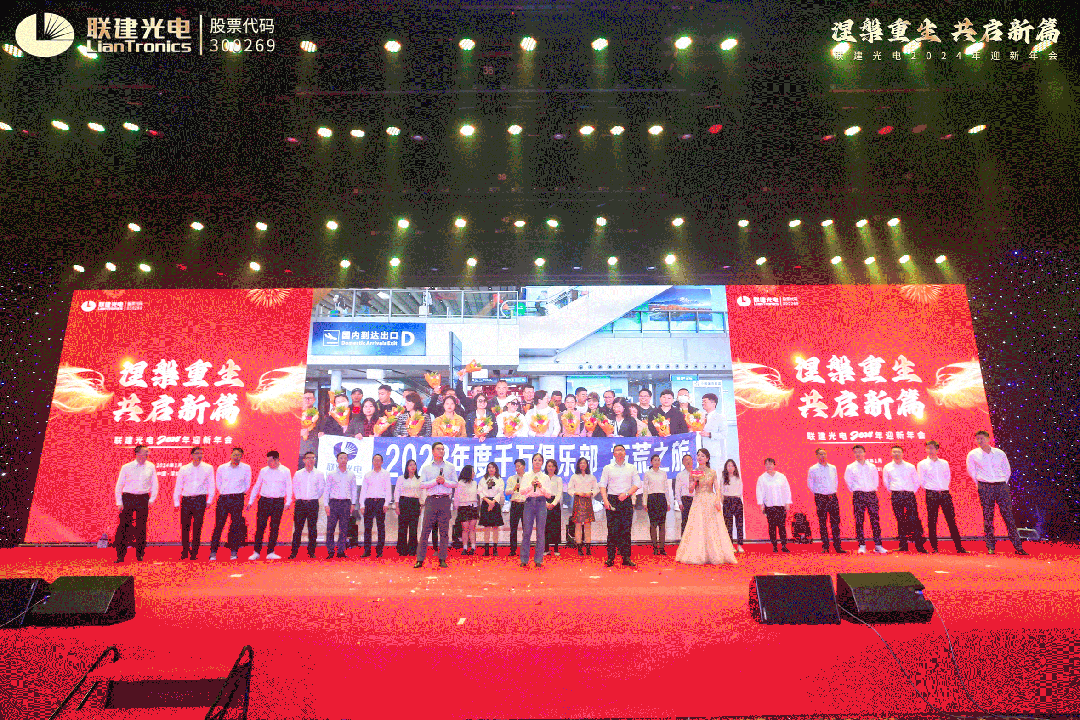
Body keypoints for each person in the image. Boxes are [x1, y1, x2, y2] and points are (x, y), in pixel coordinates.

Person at [966, 430, 1027, 555]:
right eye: (977, 439)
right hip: (985, 486)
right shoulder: (973, 454)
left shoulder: (999, 453)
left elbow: (1007, 470)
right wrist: (981, 484)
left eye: (982, 438)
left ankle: (1018, 546)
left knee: (1008, 516)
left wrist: (1002, 482)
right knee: (988, 517)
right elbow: (972, 472)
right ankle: (990, 546)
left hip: (1001, 486)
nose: (979, 441)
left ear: (988, 439)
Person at [675, 448, 738, 565]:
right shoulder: (693, 472)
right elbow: (690, 490)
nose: (700, 457)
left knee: (712, 526)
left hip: (710, 499)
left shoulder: (712, 472)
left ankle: (714, 553)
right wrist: (694, 481)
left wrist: (718, 500)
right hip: (698, 500)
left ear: (707, 459)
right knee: (698, 526)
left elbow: (717, 488)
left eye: (702, 456)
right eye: (698, 455)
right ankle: (699, 554)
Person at [414, 442, 458, 568]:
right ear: (433, 451)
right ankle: (420, 559)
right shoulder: (427, 467)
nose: (441, 451)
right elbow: (422, 484)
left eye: (443, 449)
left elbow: (455, 483)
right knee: (425, 530)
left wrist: (444, 482)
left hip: (445, 500)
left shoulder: (450, 467)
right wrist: (435, 481)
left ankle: (442, 558)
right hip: (431, 501)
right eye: (438, 449)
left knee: (444, 531)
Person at [919, 440, 967, 554]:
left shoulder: (944, 463)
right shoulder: (922, 464)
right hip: (931, 494)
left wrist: (943, 488)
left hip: (945, 493)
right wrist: (932, 488)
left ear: (937, 449)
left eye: (932, 448)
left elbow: (947, 477)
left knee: (951, 520)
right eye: (928, 448)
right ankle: (934, 547)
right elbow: (922, 480)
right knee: (932, 521)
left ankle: (959, 547)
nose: (930, 450)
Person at [114, 445, 158, 563]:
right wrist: (119, 502)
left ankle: (140, 554)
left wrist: (151, 499)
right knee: (124, 526)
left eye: (147, 452)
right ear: (137, 453)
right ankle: (120, 555)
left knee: (141, 527)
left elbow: (155, 484)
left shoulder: (151, 466)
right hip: (128, 497)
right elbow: (119, 485)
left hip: (143, 498)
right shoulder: (126, 467)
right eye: (145, 452)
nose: (147, 454)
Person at [600, 444, 641, 567]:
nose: (619, 452)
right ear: (613, 454)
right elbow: (602, 485)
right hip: (612, 500)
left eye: (622, 450)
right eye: (617, 450)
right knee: (612, 530)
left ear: (625, 453)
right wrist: (605, 500)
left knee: (626, 530)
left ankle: (626, 558)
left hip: (626, 499)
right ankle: (610, 558)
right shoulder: (608, 468)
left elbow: (637, 484)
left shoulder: (631, 467)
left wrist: (627, 494)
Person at [247, 450, 292, 560]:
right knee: (260, 527)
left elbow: (289, 487)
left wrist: (288, 502)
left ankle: (270, 552)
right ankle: (256, 552)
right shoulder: (264, 470)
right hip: (264, 501)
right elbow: (257, 486)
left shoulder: (285, 471)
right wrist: (250, 501)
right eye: (267, 461)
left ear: (277, 460)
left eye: (270, 461)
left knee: (274, 527)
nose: (268, 463)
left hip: (278, 502)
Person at [844, 445, 888, 554]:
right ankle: (862, 545)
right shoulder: (850, 467)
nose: (858, 454)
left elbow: (875, 480)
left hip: (871, 495)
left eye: (860, 452)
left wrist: (870, 490)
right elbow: (848, 482)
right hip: (858, 495)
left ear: (864, 453)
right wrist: (857, 490)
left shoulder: (872, 466)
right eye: (855, 452)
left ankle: (878, 545)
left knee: (875, 520)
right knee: (859, 521)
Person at [882, 446, 927, 553]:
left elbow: (916, 482)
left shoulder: (910, 466)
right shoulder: (887, 467)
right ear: (891, 454)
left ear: (902, 454)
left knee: (914, 519)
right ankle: (903, 545)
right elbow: (886, 482)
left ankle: (919, 545)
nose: (896, 454)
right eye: (894, 452)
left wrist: (910, 492)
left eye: (898, 452)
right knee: (900, 520)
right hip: (896, 495)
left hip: (909, 495)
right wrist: (895, 491)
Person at [209, 447, 251, 561]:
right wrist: (225, 492)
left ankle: (234, 552)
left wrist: (238, 493)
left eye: (239, 455)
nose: (236, 457)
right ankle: (213, 552)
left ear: (241, 456)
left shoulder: (246, 468)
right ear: (231, 455)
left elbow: (247, 484)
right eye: (235, 455)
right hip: (224, 498)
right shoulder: (222, 468)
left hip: (238, 498)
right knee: (219, 525)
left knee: (235, 526)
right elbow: (218, 483)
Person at [174, 446, 214, 561]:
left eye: (201, 453)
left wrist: (209, 500)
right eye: (197, 453)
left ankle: (195, 552)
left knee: (197, 527)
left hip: (200, 500)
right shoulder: (184, 469)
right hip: (186, 500)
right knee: (185, 527)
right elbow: (178, 485)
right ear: (192, 455)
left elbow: (211, 484)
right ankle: (185, 551)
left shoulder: (208, 468)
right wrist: (176, 501)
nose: (199, 455)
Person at [808, 448, 846, 554]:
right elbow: (810, 484)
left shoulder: (833, 468)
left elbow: (836, 481)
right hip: (820, 498)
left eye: (824, 454)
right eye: (820, 454)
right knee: (822, 522)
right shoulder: (813, 469)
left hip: (832, 497)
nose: (823, 456)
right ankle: (825, 546)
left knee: (835, 522)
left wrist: (831, 492)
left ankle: (838, 546)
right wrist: (819, 493)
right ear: (817, 456)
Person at [290, 451, 326, 559]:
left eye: (313, 458)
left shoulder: (319, 474)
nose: (311, 460)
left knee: (312, 529)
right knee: (298, 529)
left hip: (313, 504)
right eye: (308, 458)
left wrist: (313, 498)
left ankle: (311, 552)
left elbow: (321, 489)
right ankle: (294, 552)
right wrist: (300, 498)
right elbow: (295, 487)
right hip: (300, 503)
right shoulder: (298, 473)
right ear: (304, 460)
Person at [519, 453, 552, 568]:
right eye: (535, 460)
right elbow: (521, 491)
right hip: (529, 503)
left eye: (539, 460)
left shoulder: (545, 477)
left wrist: (541, 487)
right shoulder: (527, 475)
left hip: (541, 503)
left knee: (540, 532)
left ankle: (538, 560)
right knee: (526, 532)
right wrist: (531, 485)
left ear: (542, 463)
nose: (537, 462)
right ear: (532, 462)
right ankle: (524, 559)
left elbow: (549, 495)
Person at [325, 452, 359, 559]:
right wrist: (326, 504)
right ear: (337, 460)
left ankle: (341, 551)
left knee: (344, 529)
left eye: (345, 458)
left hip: (346, 503)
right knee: (330, 529)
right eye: (341, 458)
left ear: (347, 460)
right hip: (333, 503)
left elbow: (354, 490)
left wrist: (353, 503)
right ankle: (330, 551)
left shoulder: (351, 474)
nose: (343, 460)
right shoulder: (331, 474)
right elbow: (327, 490)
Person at [756, 458, 792, 552]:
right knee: (772, 527)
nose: (769, 466)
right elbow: (759, 492)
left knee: (782, 526)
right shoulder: (762, 478)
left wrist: (787, 502)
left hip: (780, 505)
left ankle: (784, 545)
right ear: (765, 466)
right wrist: (761, 504)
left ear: (774, 465)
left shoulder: (781, 476)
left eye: (771, 464)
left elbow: (787, 490)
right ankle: (774, 545)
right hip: (769, 505)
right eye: (767, 464)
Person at [641, 454, 674, 555]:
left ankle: (662, 547)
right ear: (651, 462)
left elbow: (666, 488)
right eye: (655, 460)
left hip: (662, 498)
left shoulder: (663, 473)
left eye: (658, 460)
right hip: (652, 499)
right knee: (653, 524)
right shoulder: (647, 473)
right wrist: (644, 502)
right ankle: (655, 547)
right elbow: (645, 488)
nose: (657, 462)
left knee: (662, 524)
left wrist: (668, 502)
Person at [568, 457, 599, 555]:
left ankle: (588, 547)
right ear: (578, 465)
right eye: (581, 463)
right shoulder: (574, 476)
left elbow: (596, 489)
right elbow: (569, 489)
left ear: (587, 465)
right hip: (578, 500)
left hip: (587, 500)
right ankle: (579, 547)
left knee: (587, 525)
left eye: (584, 463)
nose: (582, 465)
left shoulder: (591, 477)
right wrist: (577, 492)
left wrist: (591, 493)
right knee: (578, 525)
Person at [393, 458, 422, 555]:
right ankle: (402, 549)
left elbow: (422, 492)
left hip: (415, 503)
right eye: (410, 465)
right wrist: (397, 506)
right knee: (403, 527)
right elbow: (397, 492)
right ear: (407, 467)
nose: (413, 466)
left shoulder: (419, 479)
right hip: (404, 502)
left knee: (413, 527)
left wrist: (421, 505)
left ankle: (412, 549)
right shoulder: (401, 478)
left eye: (414, 465)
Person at [478, 462, 505, 556]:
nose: (491, 469)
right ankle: (486, 549)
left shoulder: (499, 479)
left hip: (495, 503)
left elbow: (500, 492)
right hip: (486, 502)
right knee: (486, 527)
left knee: (495, 527)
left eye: (493, 467)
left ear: (496, 469)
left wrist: (493, 502)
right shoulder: (483, 479)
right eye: (489, 467)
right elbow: (480, 492)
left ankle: (495, 549)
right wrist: (488, 501)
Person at [720, 459, 745, 553]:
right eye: (728, 466)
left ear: (735, 467)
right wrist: (723, 502)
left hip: (737, 501)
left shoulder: (738, 478)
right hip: (727, 501)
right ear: (726, 467)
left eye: (732, 465)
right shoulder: (723, 478)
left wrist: (738, 500)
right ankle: (730, 545)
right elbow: (721, 491)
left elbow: (740, 491)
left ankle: (740, 545)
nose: (730, 467)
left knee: (739, 524)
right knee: (728, 525)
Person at [454, 465, 480, 555]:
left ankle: (473, 547)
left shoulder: (475, 483)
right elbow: (456, 496)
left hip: (473, 506)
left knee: (472, 528)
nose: (474, 473)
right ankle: (465, 548)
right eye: (472, 471)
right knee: (465, 529)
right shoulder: (460, 483)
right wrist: (456, 507)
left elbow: (477, 495)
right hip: (463, 507)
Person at [505, 458, 528, 557]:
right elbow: (506, 492)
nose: (517, 468)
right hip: (515, 504)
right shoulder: (511, 478)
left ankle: (525, 549)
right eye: (516, 466)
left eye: (519, 466)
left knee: (526, 529)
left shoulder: (528, 478)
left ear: (524, 467)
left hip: (525, 505)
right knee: (513, 528)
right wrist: (514, 488)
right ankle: (513, 550)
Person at [542, 459, 564, 556]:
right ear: (546, 467)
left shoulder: (558, 479)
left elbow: (559, 493)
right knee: (545, 526)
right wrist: (546, 503)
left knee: (556, 526)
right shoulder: (543, 478)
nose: (551, 468)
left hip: (555, 504)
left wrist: (553, 504)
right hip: (544, 502)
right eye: (549, 466)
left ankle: (556, 548)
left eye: (553, 466)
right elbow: (541, 492)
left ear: (555, 468)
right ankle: (546, 548)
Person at [698, 393, 725, 464]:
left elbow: (723, 435)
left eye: (705, 401)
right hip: (699, 451)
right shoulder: (700, 416)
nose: (703, 403)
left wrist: (709, 434)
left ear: (713, 403)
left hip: (712, 452)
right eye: (702, 402)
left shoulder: (720, 417)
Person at [674, 454, 695, 535]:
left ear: (692, 461)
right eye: (686, 460)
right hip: (685, 500)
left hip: (696, 499)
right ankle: (684, 540)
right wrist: (679, 503)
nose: (688, 461)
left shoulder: (697, 473)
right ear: (683, 463)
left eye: (689, 459)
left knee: (696, 521)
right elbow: (677, 490)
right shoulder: (680, 475)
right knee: (685, 521)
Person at [298, 389, 320, 470]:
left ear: (314, 400)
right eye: (305, 398)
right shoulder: (295, 413)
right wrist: (298, 432)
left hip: (312, 450)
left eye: (310, 398)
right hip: (297, 450)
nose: (307, 400)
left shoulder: (319, 414)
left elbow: (323, 429)